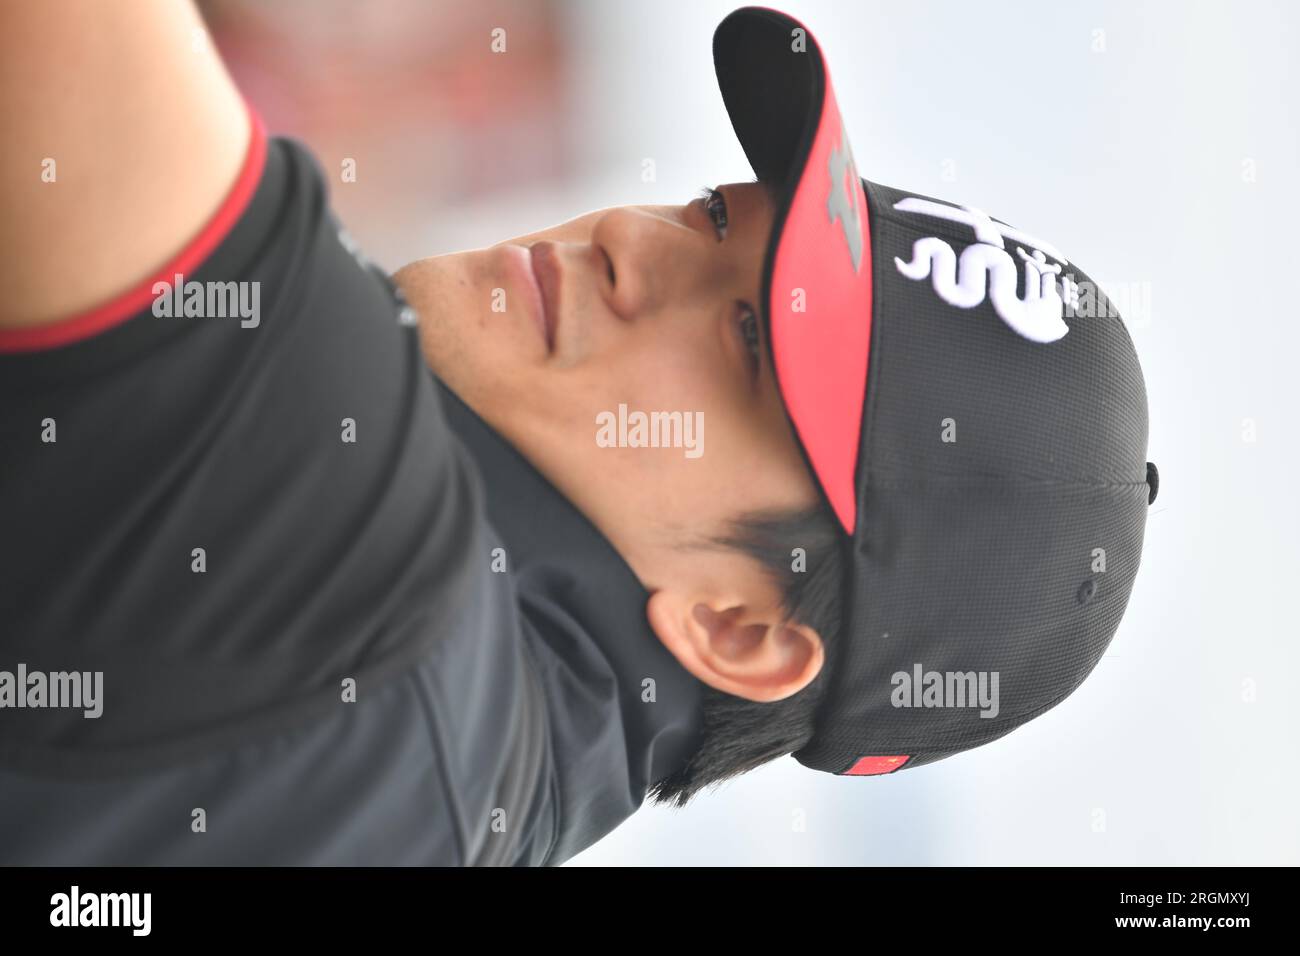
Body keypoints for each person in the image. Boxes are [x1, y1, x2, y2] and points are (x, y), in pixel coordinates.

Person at [0, 3, 1155, 866]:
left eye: (749, 338)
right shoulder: (458, 779)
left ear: (739, 628)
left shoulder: (373, 564)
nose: (630, 241)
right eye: (713, 216)